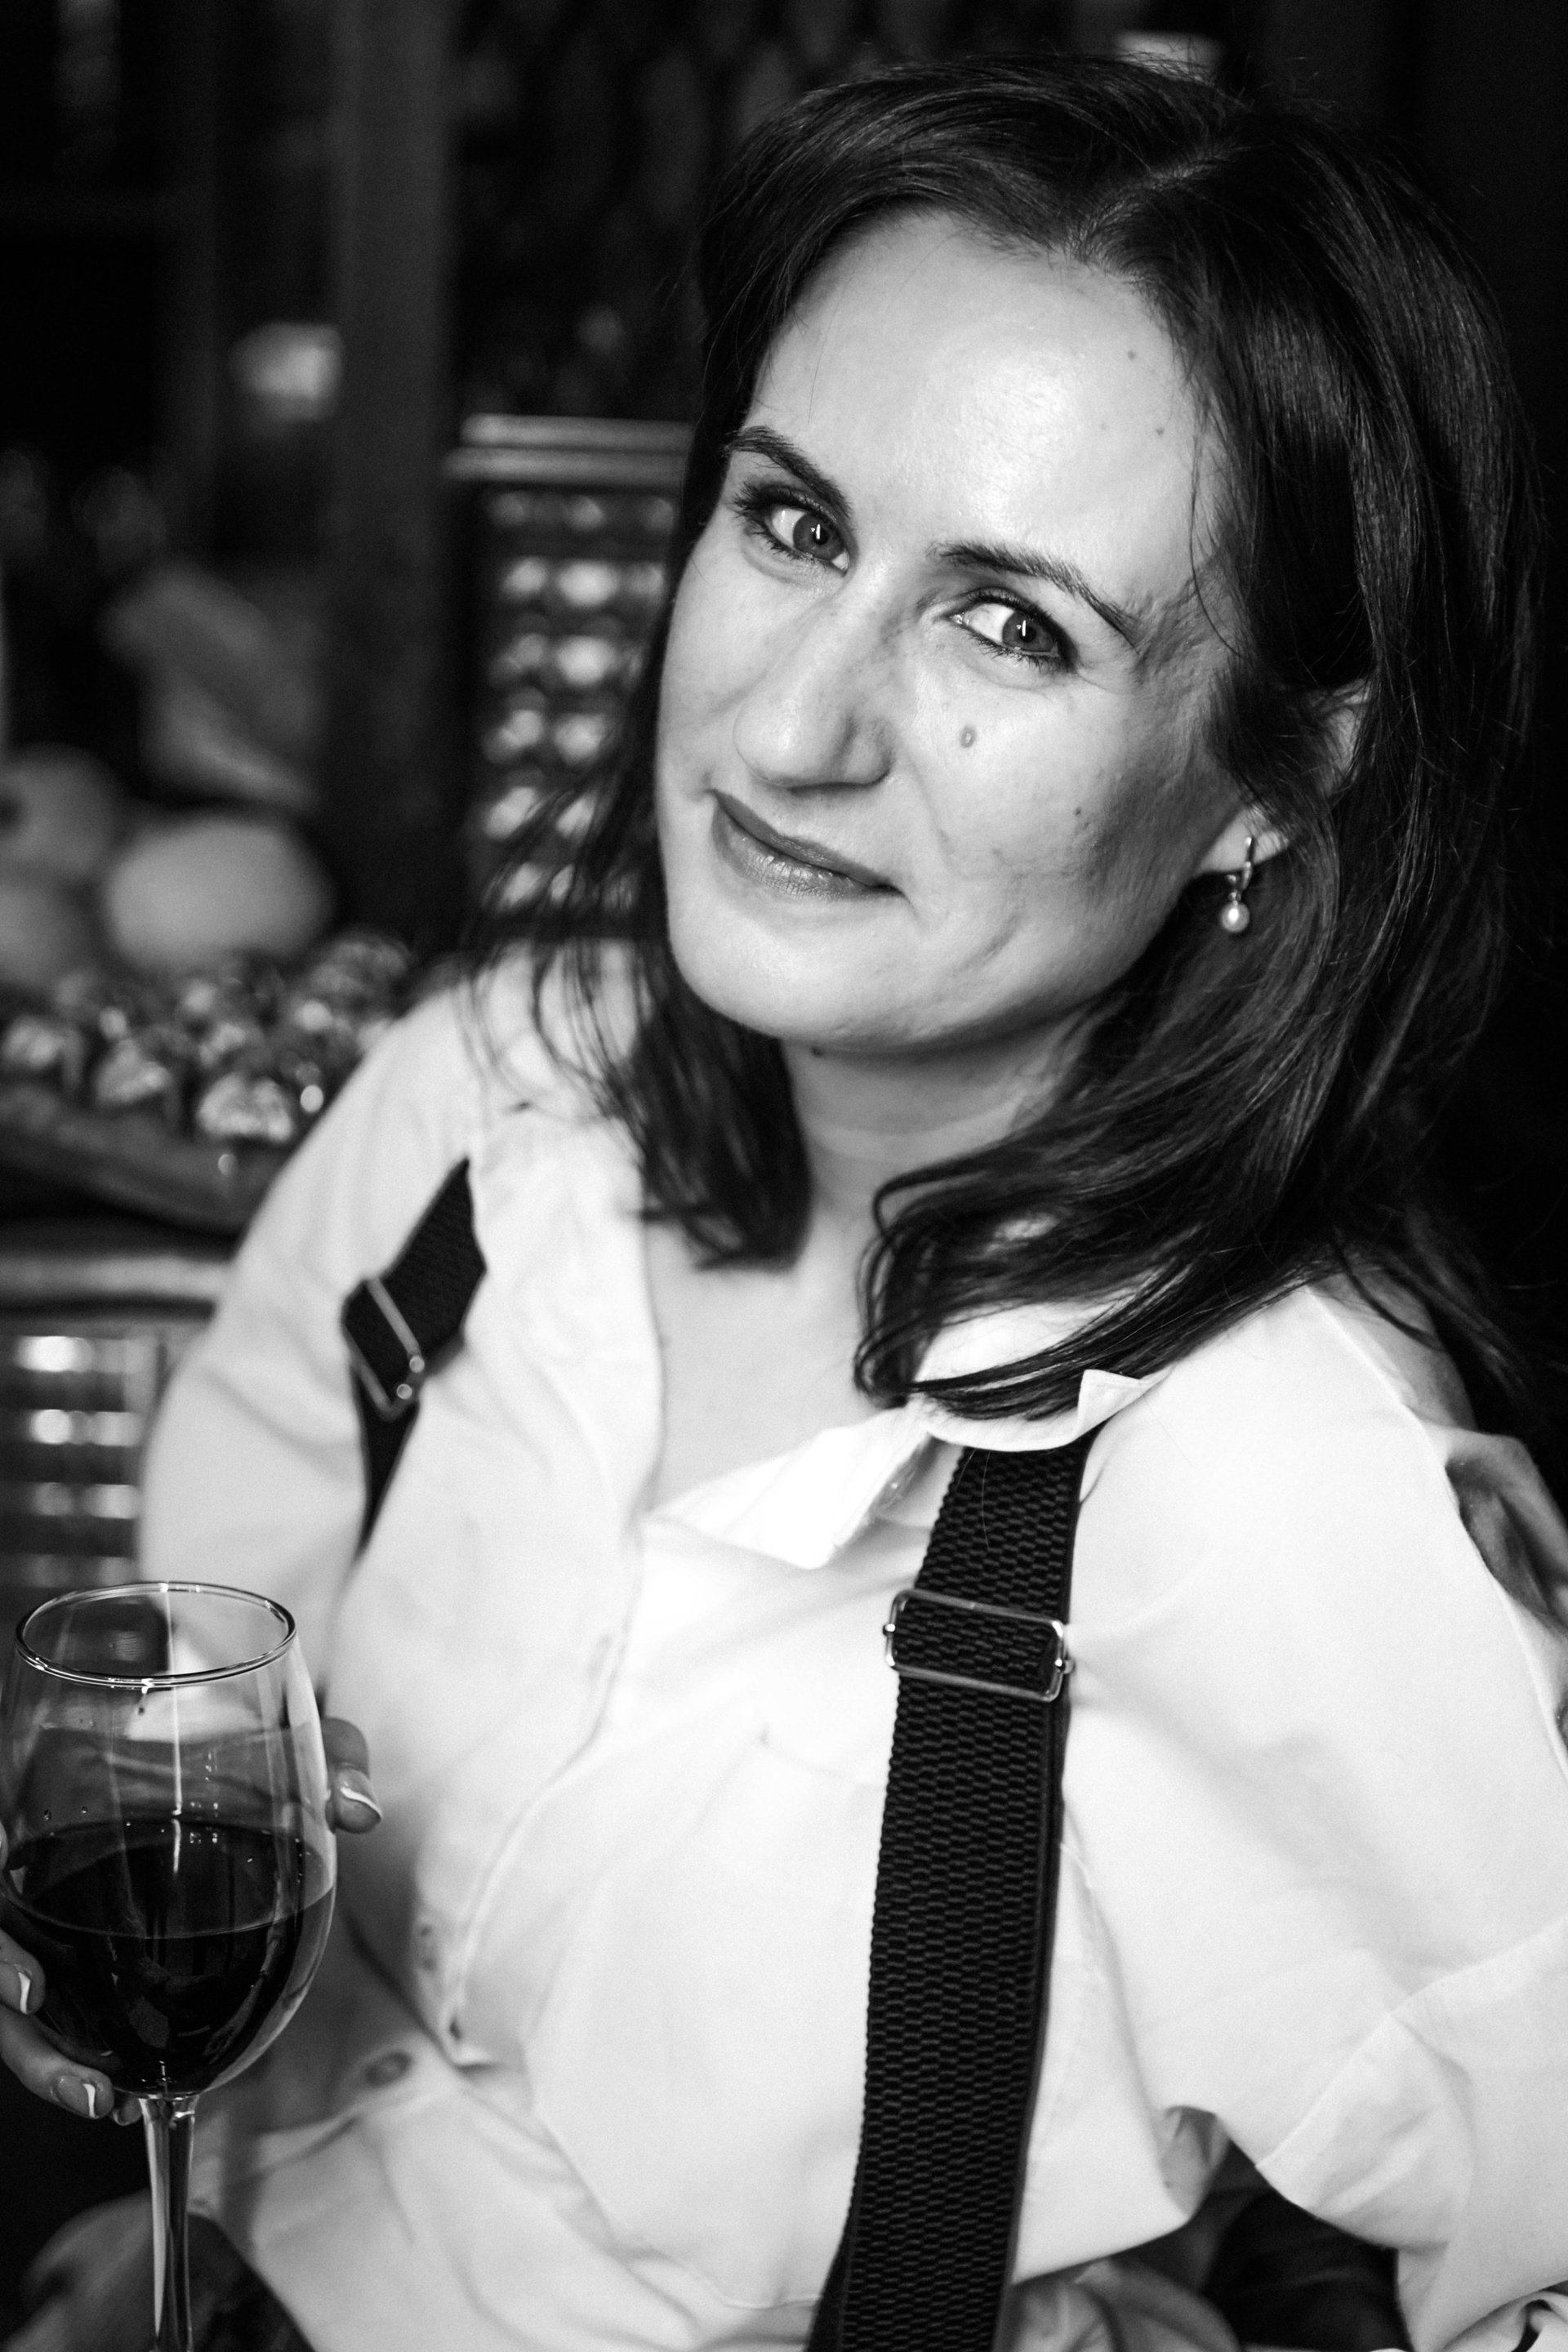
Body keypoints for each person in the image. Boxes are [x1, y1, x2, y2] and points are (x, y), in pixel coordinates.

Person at [4, 50, 1568, 2352]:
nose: (790, 730)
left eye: (1012, 624)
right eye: (798, 525)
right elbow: (183, 1733)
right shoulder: (479, 1112)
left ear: (1280, 772)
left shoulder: (1276, 1483)